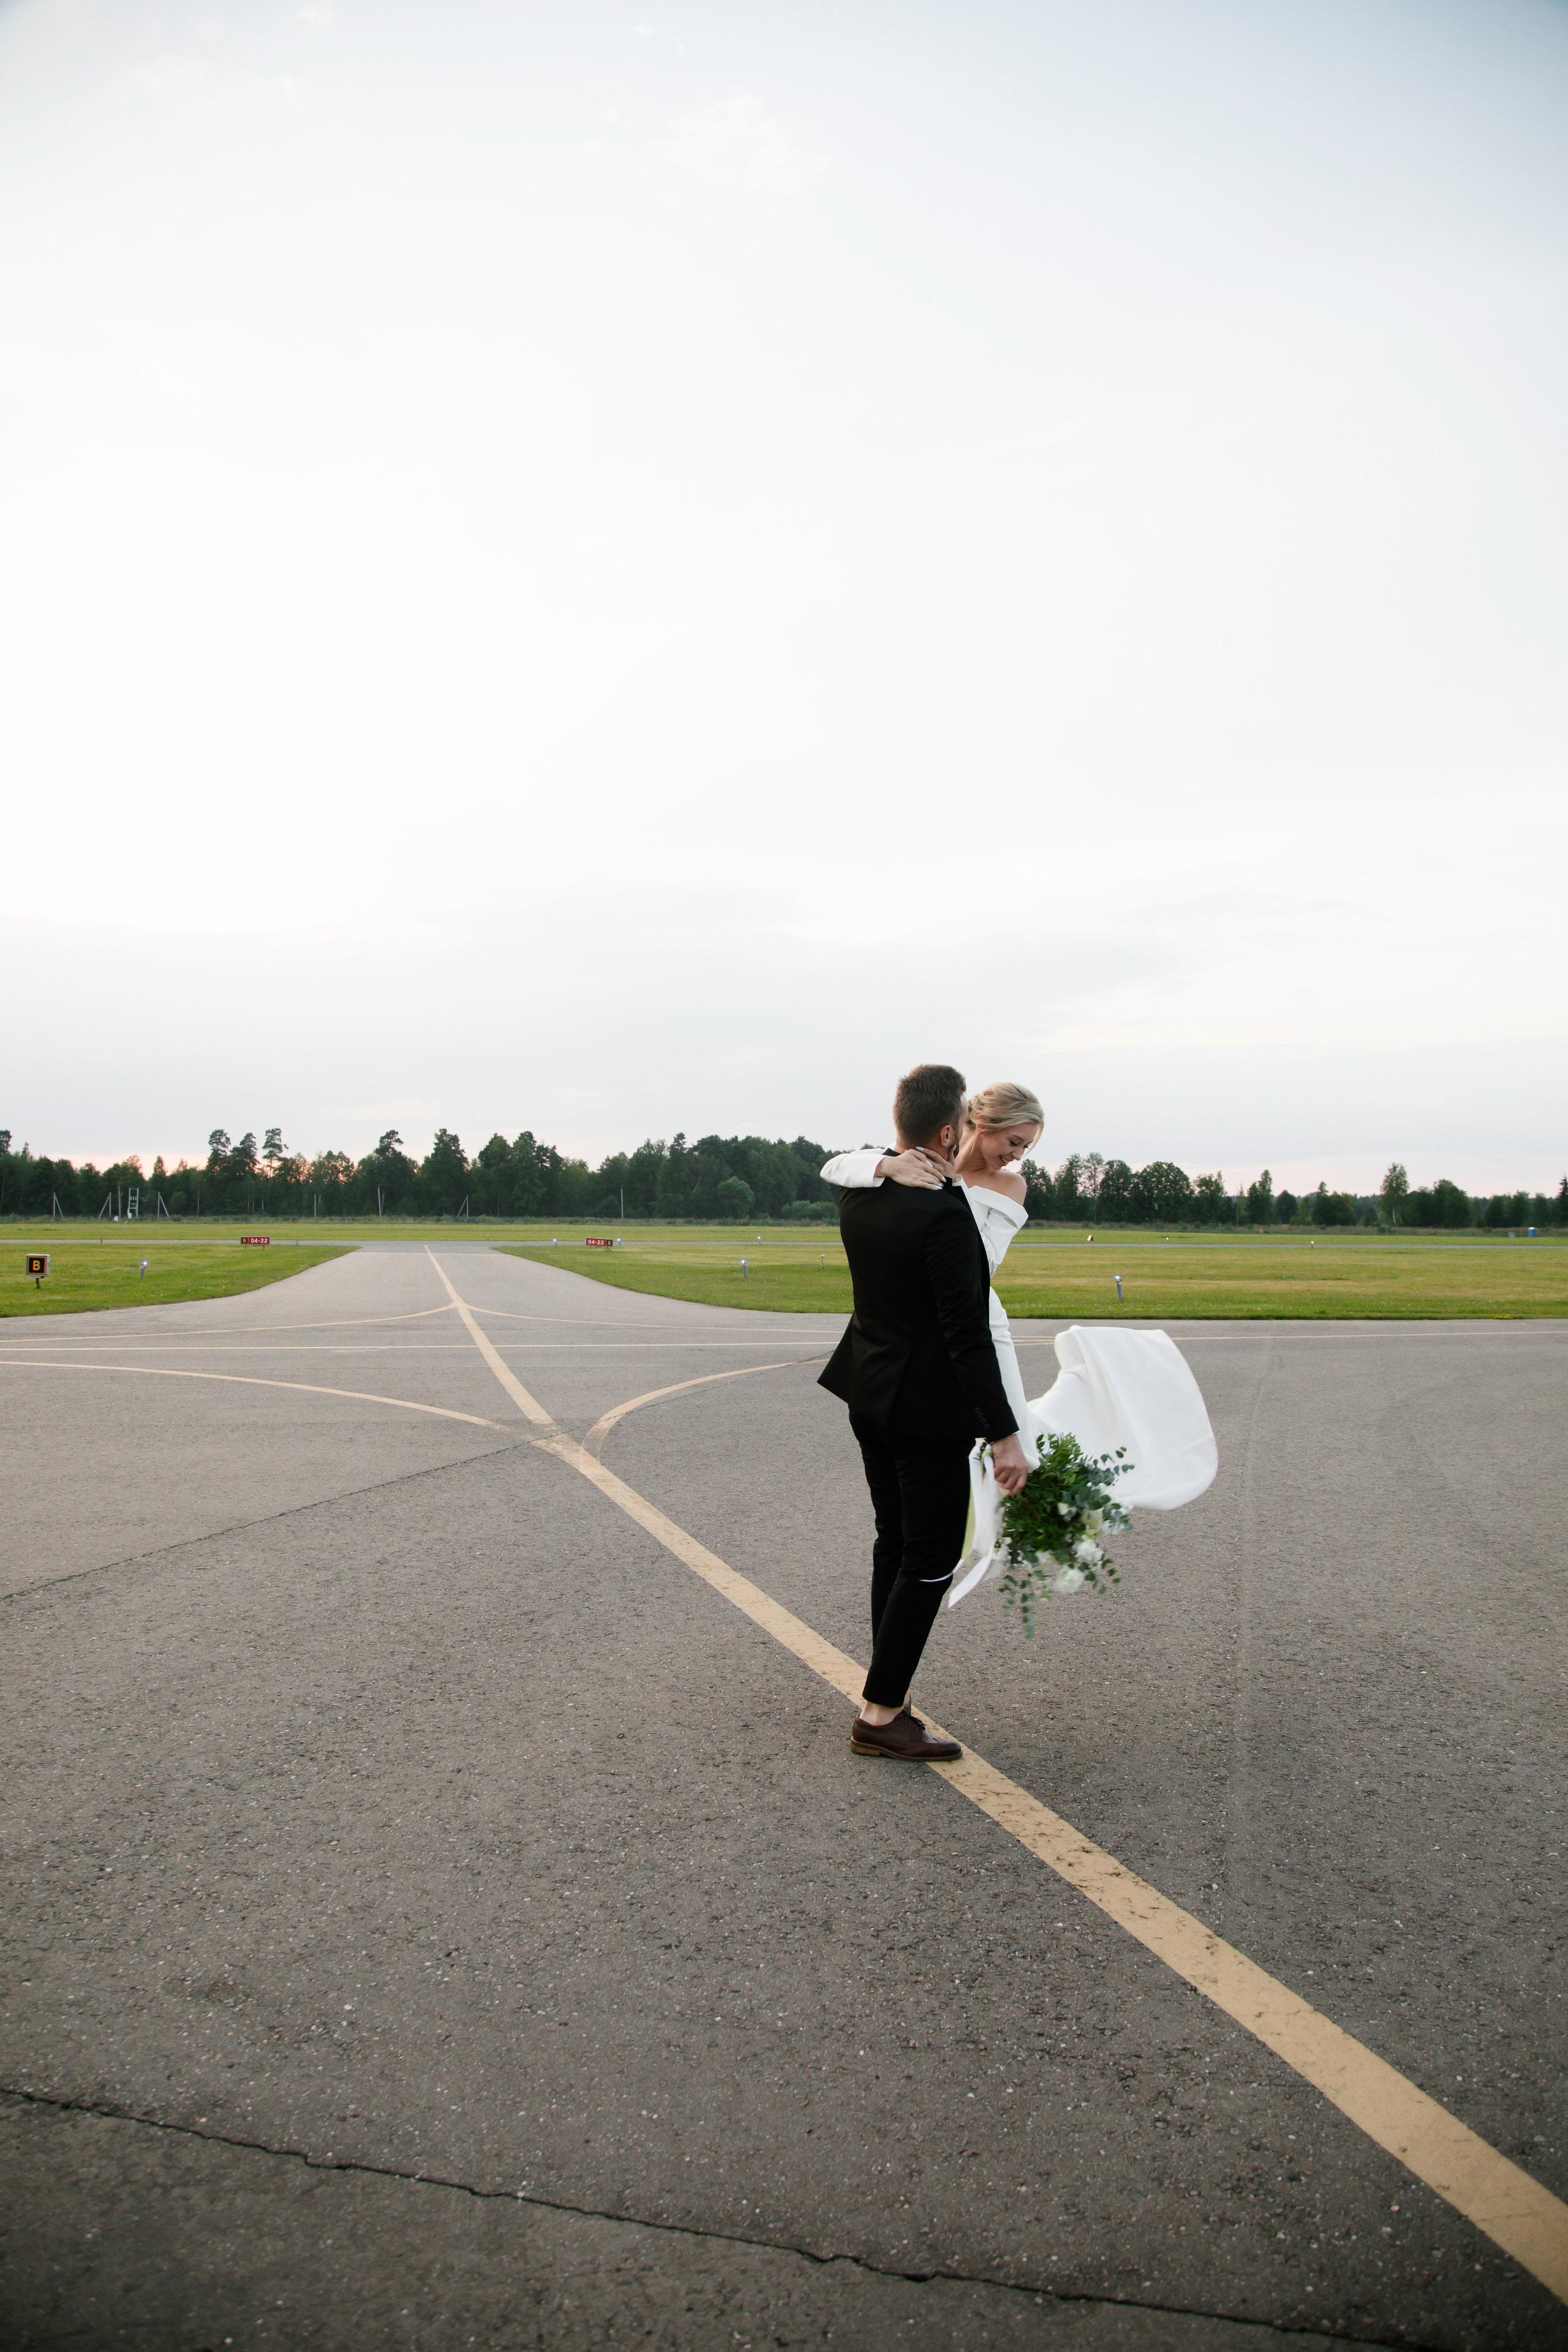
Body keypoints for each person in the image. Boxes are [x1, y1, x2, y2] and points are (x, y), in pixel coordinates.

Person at [826, 1083, 1218, 1610]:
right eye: (1012, 1140)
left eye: (1026, 1148)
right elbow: (836, 1166)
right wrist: (887, 1167)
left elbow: (964, 1258)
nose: (1017, 1155)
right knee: (902, 1528)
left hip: (980, 1324)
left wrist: (901, 1173)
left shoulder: (1008, 1187)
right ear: (975, 1124)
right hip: (909, 1351)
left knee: (1009, 1450)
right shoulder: (913, 1167)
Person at [818, 1065, 1032, 1763]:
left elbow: (845, 1165)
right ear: (953, 1129)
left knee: (894, 1541)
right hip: (926, 1406)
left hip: (868, 1389)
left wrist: (884, 1160)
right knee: (932, 1559)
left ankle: (886, 1688)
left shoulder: (864, 1192)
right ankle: (881, 1716)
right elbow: (968, 1335)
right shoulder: (944, 1215)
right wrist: (1004, 1434)